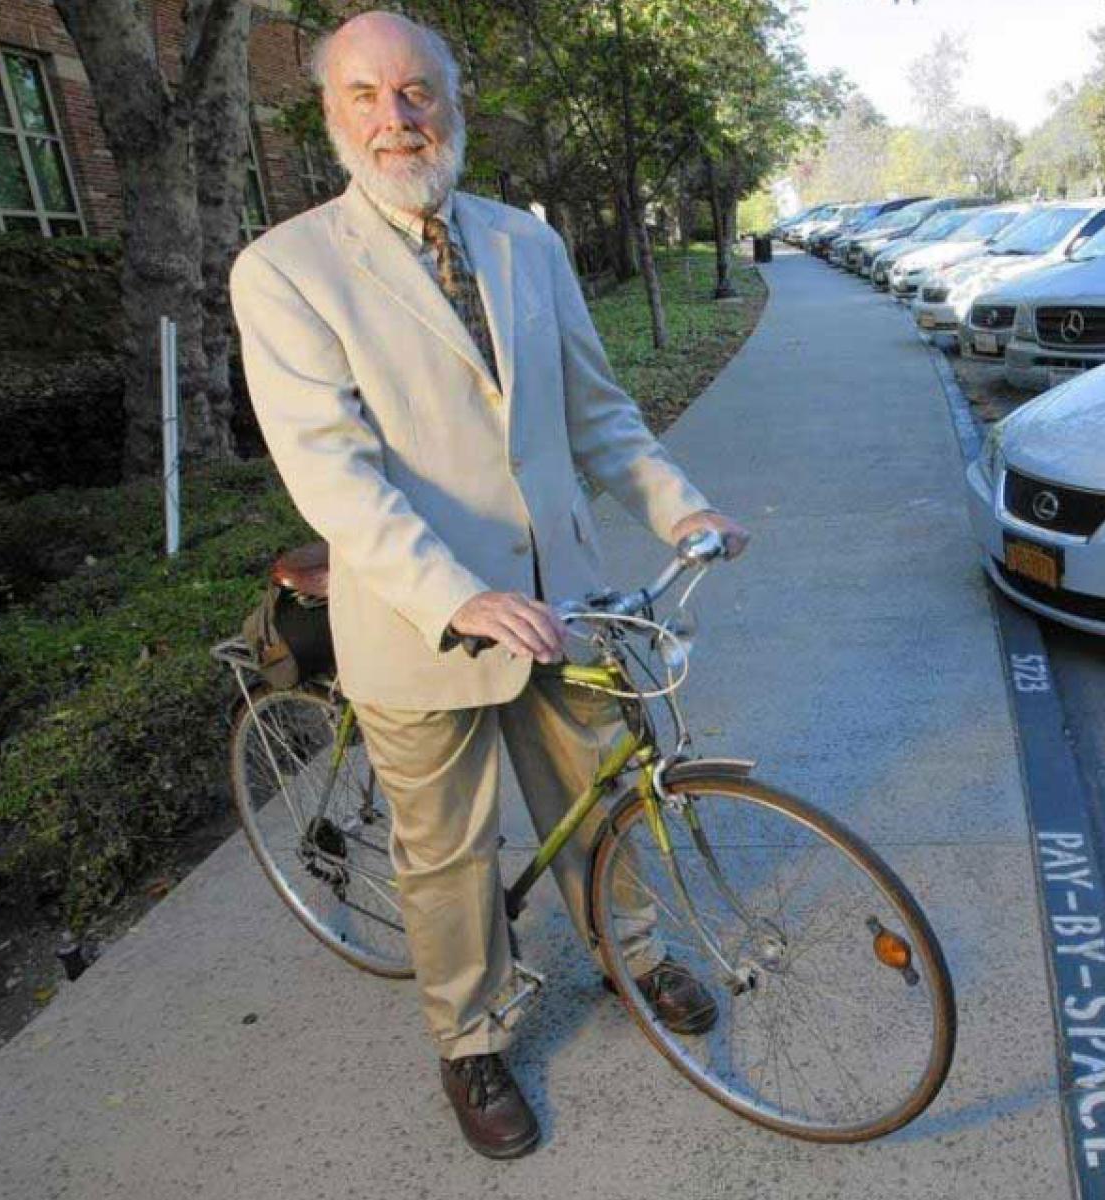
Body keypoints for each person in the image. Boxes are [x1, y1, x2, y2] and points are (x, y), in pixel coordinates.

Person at [229, 11, 748, 1160]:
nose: (395, 116)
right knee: (447, 854)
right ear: (331, 117)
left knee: (598, 797)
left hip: (562, 595)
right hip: (424, 621)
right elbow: (334, 471)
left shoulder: (525, 242)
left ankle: (630, 952)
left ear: (452, 103)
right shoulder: (286, 271)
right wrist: (453, 593)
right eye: (365, 94)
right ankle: (468, 1037)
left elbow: (596, 413)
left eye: (416, 91)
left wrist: (680, 505)